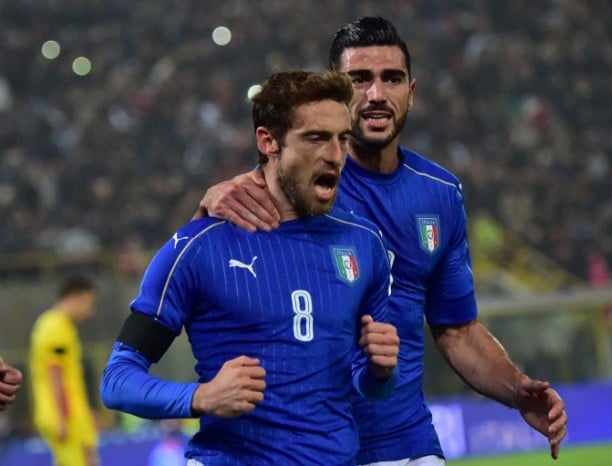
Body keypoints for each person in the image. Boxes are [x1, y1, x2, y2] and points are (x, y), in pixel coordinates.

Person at [196, 17, 568, 465]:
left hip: (404, 446)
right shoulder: (286, 185)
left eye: (391, 79)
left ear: (411, 92)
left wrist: (517, 390)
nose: (376, 95)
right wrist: (206, 207)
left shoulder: (439, 193)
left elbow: (457, 330)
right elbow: (206, 270)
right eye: (359, 80)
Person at [100, 70, 400, 465]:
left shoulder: (365, 243)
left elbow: (370, 386)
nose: (335, 155)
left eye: (342, 138)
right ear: (268, 141)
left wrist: (380, 372)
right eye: (315, 138)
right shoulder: (198, 247)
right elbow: (117, 380)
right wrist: (199, 397)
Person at [29, 276, 99, 466]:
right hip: (66, 414)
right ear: (74, 298)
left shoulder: (59, 326)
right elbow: (55, 372)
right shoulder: (55, 327)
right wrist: (61, 417)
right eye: (88, 303)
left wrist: (85, 410)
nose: (90, 311)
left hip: (72, 411)